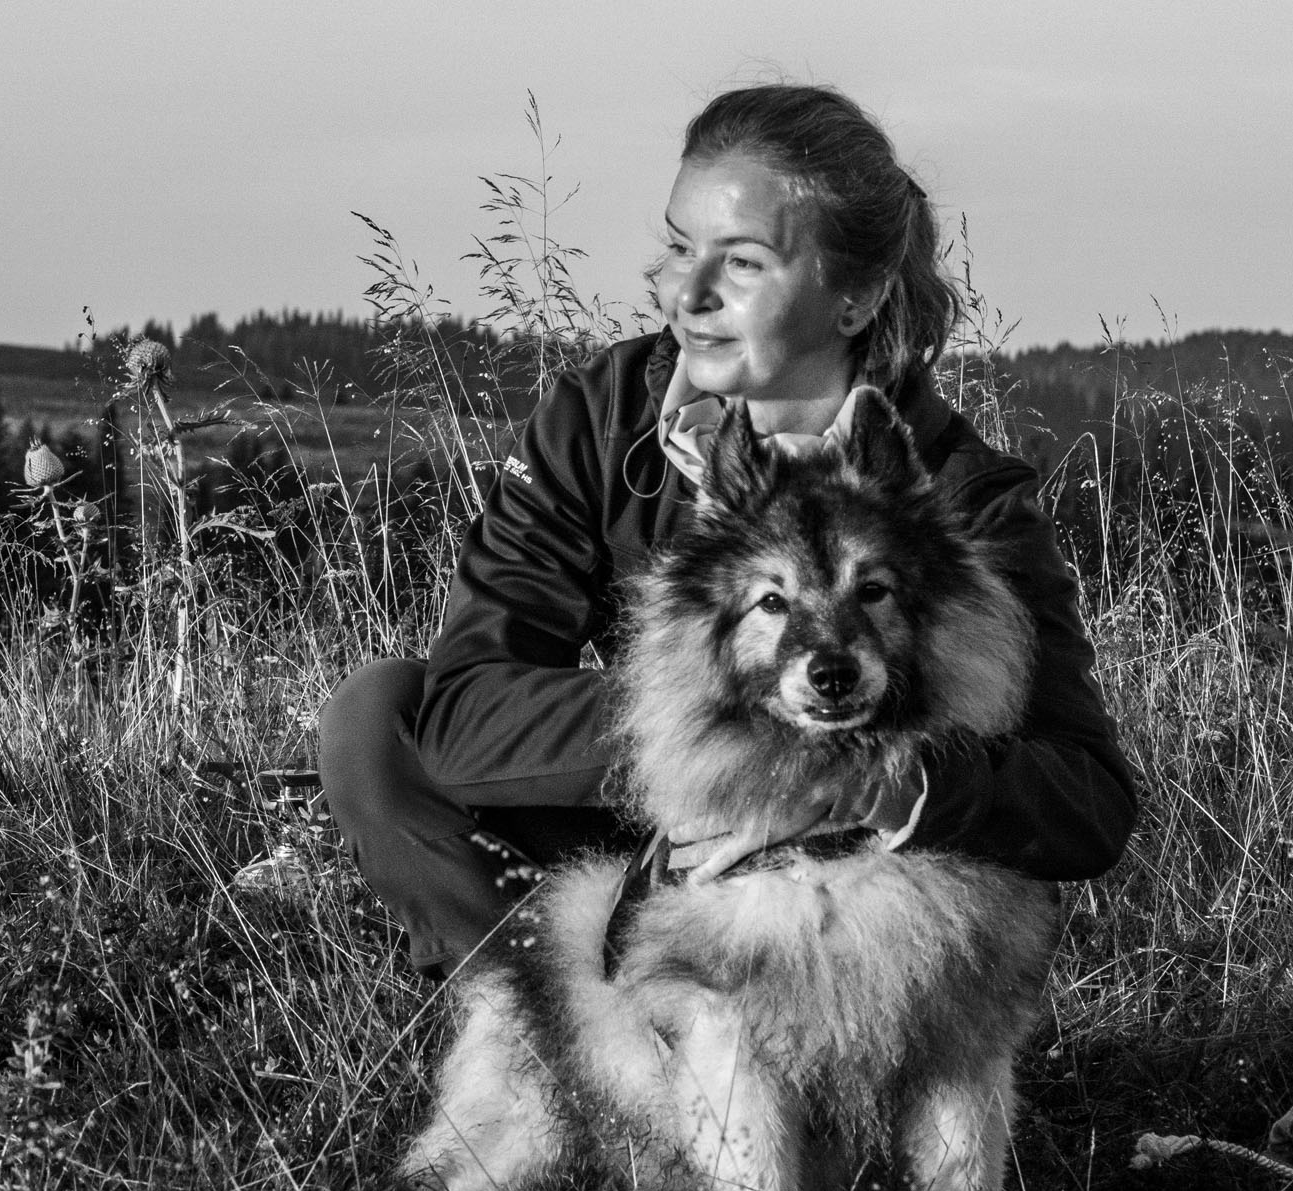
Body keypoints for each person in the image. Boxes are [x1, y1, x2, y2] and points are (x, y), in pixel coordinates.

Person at [319, 84, 1136, 977]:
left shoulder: (954, 498)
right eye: (678, 246)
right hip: (641, 802)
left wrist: (858, 786)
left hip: (854, 890)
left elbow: (1086, 803)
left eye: (742, 263)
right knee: (379, 716)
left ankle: (814, 1062)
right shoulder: (598, 418)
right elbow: (466, 710)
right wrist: (714, 741)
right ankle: (535, 1013)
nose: (687, 292)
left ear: (854, 298)